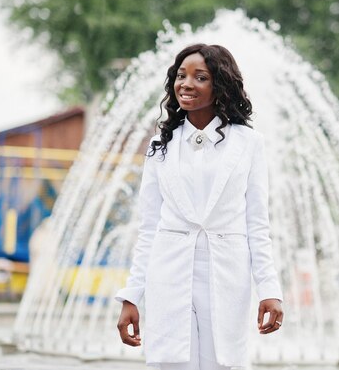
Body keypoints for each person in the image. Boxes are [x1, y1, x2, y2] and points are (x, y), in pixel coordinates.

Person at [115, 43, 284, 370]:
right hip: (168, 273)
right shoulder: (159, 145)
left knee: (223, 363)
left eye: (200, 77)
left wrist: (270, 289)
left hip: (227, 275)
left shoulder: (249, 144)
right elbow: (148, 228)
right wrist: (132, 295)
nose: (186, 84)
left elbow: (257, 225)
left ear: (219, 85)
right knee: (169, 362)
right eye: (181, 76)